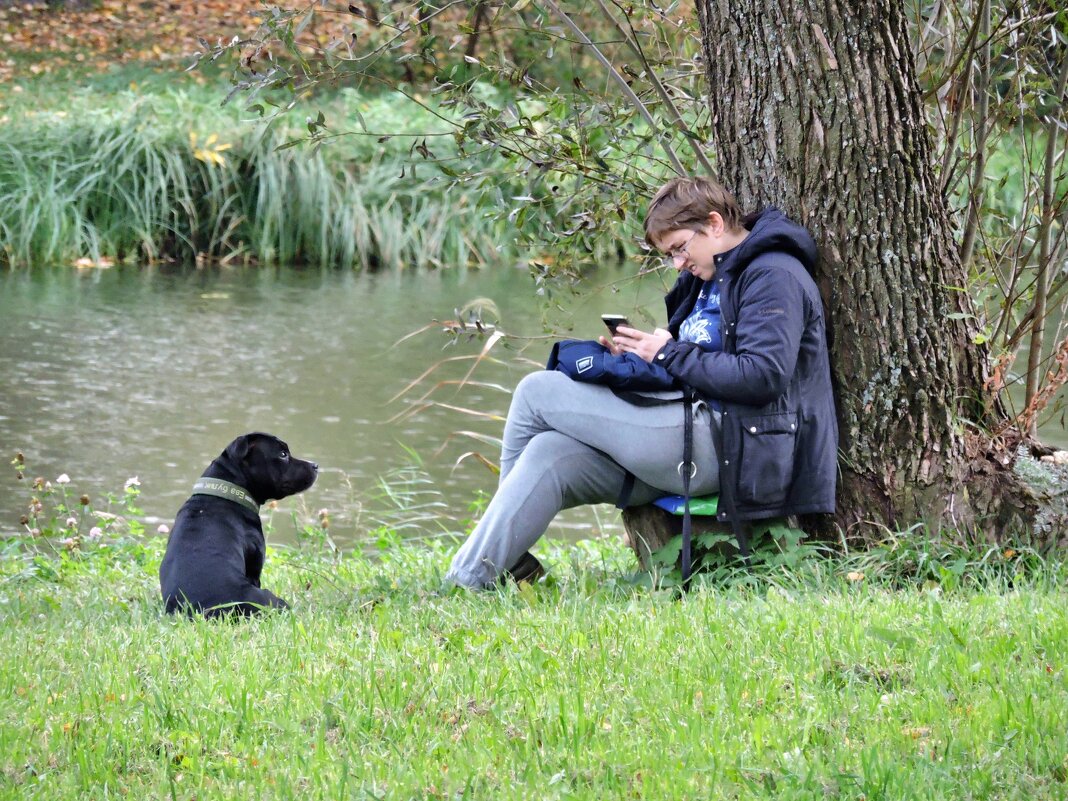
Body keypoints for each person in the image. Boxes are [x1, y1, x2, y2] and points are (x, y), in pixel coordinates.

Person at [445, 176, 838, 589]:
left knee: (535, 391)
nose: (677, 264)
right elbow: (693, 360)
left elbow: (762, 377)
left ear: (716, 223)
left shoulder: (772, 275)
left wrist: (667, 353)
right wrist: (635, 360)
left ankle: (466, 582)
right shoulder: (706, 276)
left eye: (680, 248)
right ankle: (490, 567)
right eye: (669, 255)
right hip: (683, 431)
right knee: (549, 452)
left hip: (734, 445)